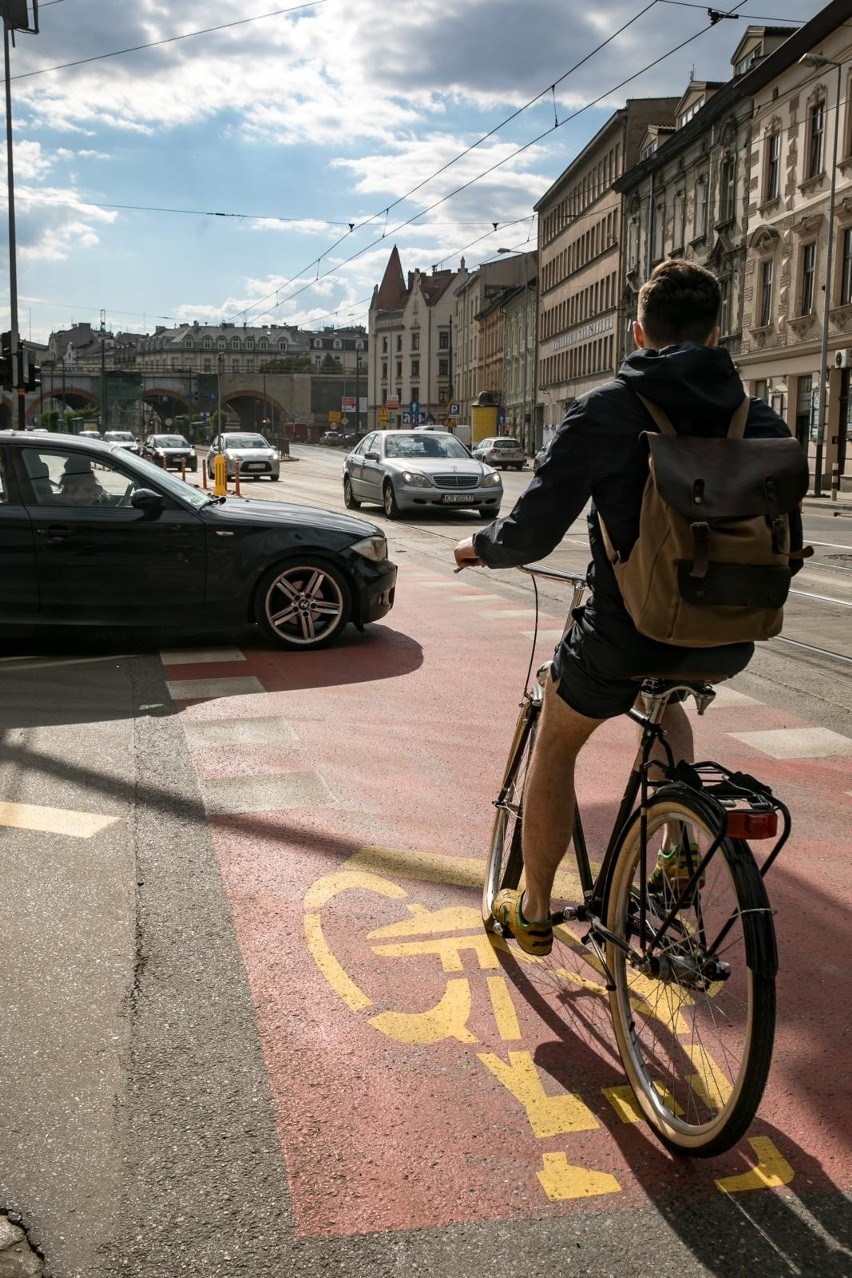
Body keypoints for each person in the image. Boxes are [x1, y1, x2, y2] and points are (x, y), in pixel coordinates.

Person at [453, 259, 803, 957]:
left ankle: (536, 909)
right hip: (729, 637)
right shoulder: (758, 414)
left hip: (624, 632)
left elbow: (532, 531)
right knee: (667, 701)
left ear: (639, 332)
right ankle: (675, 849)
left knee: (556, 742)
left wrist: (479, 548)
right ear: (715, 332)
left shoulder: (609, 408)